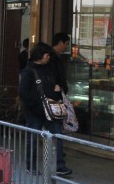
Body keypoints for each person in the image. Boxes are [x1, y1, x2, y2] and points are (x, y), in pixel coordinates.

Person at [19, 42, 73, 176]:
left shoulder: (49, 68)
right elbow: (23, 92)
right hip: (34, 111)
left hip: (51, 110)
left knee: (57, 136)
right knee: (33, 137)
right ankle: (31, 165)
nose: (48, 57)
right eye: (47, 55)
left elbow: (57, 85)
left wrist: (58, 90)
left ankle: (59, 165)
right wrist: (37, 105)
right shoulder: (29, 71)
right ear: (41, 56)